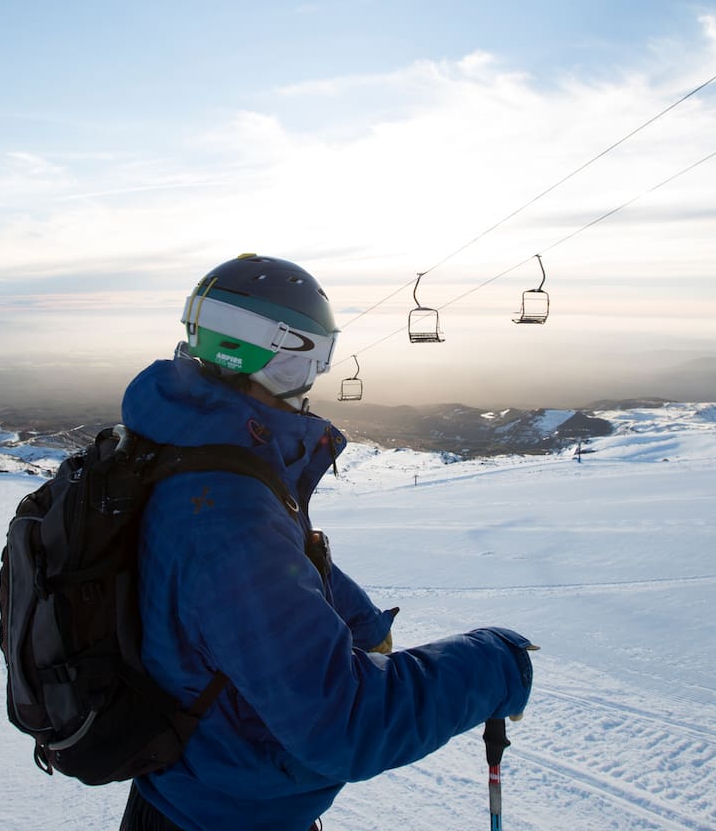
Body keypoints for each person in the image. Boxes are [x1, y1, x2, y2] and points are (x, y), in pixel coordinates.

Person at [118, 253, 535, 831]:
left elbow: (255, 577)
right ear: (280, 359)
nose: (312, 384)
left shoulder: (183, 449)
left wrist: (358, 618)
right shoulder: (226, 512)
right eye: (311, 362)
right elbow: (343, 724)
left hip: (190, 790)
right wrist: (493, 664)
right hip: (228, 814)